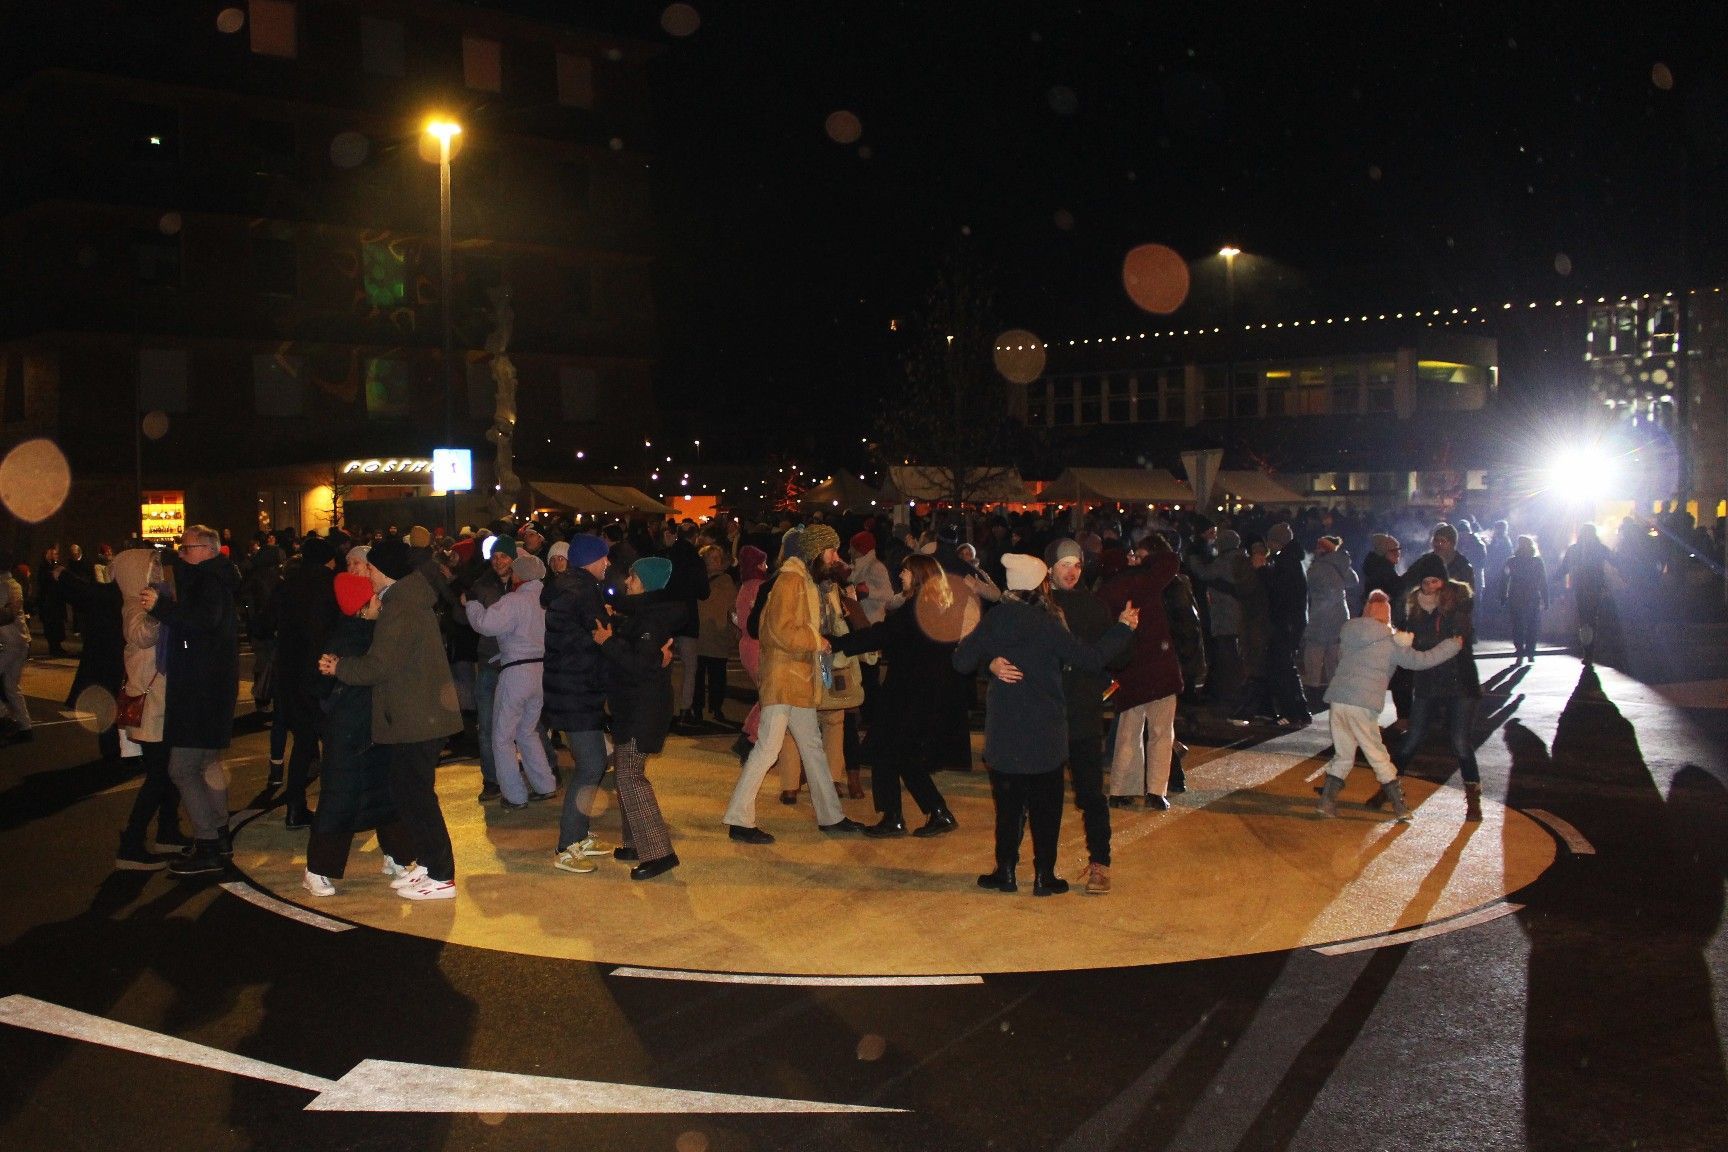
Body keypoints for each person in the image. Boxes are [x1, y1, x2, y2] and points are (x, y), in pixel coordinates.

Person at [955, 553, 1136, 895]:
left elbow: (961, 661)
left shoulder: (995, 619)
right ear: (1039, 584)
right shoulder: (1047, 622)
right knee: (1045, 808)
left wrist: (989, 662)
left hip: (1005, 731)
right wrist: (1123, 628)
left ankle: (1006, 871)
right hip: (1046, 730)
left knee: (1008, 807)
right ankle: (1044, 876)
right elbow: (1090, 659)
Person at [319, 539, 463, 901]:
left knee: (416, 796)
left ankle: (441, 875)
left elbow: (380, 665)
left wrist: (340, 667)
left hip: (419, 718)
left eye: (369, 567)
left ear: (384, 570)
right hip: (415, 715)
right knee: (406, 792)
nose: (365, 573)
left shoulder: (400, 606)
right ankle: (428, 864)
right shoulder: (403, 600)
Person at [722, 524, 863, 843]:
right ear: (816, 551)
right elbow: (778, 630)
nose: (836, 557)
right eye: (831, 551)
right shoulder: (791, 580)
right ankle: (739, 819)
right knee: (768, 749)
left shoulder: (803, 579)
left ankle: (831, 816)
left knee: (810, 747)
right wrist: (816, 640)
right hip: (785, 680)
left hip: (796, 680)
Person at [830, 553, 970, 838]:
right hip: (922, 693)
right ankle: (935, 812)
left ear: (917, 575)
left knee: (886, 750)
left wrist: (838, 643)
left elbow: (881, 635)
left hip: (907, 694)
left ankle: (895, 817)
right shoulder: (936, 609)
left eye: (905, 571)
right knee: (902, 754)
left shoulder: (915, 611)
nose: (901, 575)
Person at [301, 573, 420, 896]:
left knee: (387, 796)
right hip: (348, 734)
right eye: (373, 598)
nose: (379, 602)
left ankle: (397, 855)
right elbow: (321, 684)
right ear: (360, 607)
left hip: (375, 729)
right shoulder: (346, 639)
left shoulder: (371, 633)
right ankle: (316, 869)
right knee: (339, 800)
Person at [143, 526, 241, 879]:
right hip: (213, 687)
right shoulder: (217, 577)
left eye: (185, 548)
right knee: (207, 764)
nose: (181, 554)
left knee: (182, 769)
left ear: (206, 549)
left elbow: (201, 622)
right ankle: (219, 835)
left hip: (200, 690)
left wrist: (162, 607)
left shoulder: (208, 581)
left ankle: (209, 843)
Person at [1317, 590, 1463, 821]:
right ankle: (1399, 806)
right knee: (1377, 754)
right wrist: (1451, 646)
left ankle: (1327, 802)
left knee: (1343, 753)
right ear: (1387, 615)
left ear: (1366, 611)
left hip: (1338, 700)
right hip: (1363, 703)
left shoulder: (1349, 633)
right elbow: (1421, 661)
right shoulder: (1392, 643)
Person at [592, 556, 682, 879]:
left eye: (633, 576)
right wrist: (615, 625)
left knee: (630, 775)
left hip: (643, 708)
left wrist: (607, 642)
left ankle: (659, 853)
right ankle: (635, 843)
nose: (628, 581)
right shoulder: (643, 614)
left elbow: (640, 665)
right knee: (625, 774)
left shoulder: (651, 619)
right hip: (635, 706)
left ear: (646, 582)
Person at [543, 534, 616, 873]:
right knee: (591, 764)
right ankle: (567, 845)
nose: (608, 563)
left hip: (571, 687)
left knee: (594, 761)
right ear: (591, 560)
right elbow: (598, 637)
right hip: (577, 690)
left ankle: (580, 834)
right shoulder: (583, 591)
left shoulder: (568, 588)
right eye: (604, 558)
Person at [464, 551, 558, 809]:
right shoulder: (546, 602)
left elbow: (486, 624)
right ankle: (545, 784)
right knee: (527, 731)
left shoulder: (514, 600)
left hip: (516, 672)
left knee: (502, 737)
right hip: (540, 672)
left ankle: (515, 795)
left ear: (521, 575)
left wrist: (471, 605)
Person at [110, 545, 186, 866]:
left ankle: (167, 831)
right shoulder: (133, 604)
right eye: (151, 567)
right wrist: (158, 611)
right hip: (149, 701)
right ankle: (131, 843)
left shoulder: (152, 599)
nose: (157, 572)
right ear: (134, 572)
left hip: (162, 700)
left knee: (170, 771)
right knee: (158, 775)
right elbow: (141, 636)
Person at [1389, 566, 1483, 821]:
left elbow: (1458, 639)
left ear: (1443, 582)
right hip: (1428, 683)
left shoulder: (1457, 606)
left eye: (1434, 581)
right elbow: (1410, 642)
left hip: (1459, 683)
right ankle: (1389, 787)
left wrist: (1421, 645)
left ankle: (1473, 799)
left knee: (1460, 742)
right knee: (1413, 737)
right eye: (1425, 582)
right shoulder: (1414, 610)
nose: (1429, 586)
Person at [1098, 533, 1182, 809]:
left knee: (1128, 731)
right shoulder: (1151, 580)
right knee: (1160, 732)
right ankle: (1156, 790)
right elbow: (1171, 560)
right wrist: (1147, 559)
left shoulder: (1110, 588)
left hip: (1130, 668)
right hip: (1159, 665)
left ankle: (1122, 788)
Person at [272, 535, 339, 827]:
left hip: (290, 675)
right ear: (328, 560)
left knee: (303, 742)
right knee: (334, 741)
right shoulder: (331, 585)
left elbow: (263, 623)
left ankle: (295, 805)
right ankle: (335, 806)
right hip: (323, 673)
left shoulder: (287, 585)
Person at [1302, 535, 1359, 694]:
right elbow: (1353, 582)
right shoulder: (1342, 564)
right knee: (1334, 660)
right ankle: (1336, 694)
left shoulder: (1317, 568)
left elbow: (1306, 585)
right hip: (1340, 616)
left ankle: (1313, 693)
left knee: (1314, 656)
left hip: (1319, 617)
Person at [1553, 522, 1615, 665]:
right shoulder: (1599, 548)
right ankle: (1591, 651)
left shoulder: (1574, 549)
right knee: (1593, 619)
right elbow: (1615, 560)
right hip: (1595, 588)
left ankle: (1587, 651)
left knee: (1584, 620)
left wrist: (1554, 580)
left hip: (1580, 588)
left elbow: (1564, 568)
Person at [693, 544, 739, 725]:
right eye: (713, 558)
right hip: (702, 634)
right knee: (698, 675)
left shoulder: (726, 580)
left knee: (718, 675)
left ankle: (716, 706)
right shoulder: (698, 580)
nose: (717, 561)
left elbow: (733, 606)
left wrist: (734, 628)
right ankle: (698, 707)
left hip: (718, 634)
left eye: (719, 558)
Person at [0, 559, 32, 745]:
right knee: (12, 686)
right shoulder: (14, 584)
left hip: (9, 643)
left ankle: (5, 718)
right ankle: (25, 727)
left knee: (11, 686)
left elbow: (6, 615)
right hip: (22, 641)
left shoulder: (3, 585)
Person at [1501, 535, 1548, 662]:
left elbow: (1504, 579)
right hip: (1532, 596)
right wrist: (1546, 599)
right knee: (1532, 625)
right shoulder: (1537, 561)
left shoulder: (1512, 561)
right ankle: (1530, 651)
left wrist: (1503, 596)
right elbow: (1543, 581)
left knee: (1517, 625)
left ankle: (1520, 651)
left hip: (1516, 596)